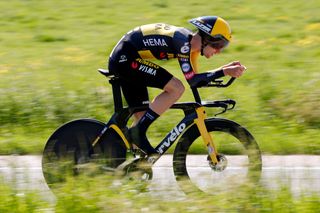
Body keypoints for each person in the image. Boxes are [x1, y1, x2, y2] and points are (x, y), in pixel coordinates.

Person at [108, 16, 246, 155]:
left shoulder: (191, 47)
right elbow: (192, 80)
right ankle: (137, 133)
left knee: (141, 115)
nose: (219, 51)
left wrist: (223, 70)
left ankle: (132, 165)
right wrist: (224, 71)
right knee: (176, 88)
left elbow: (197, 80)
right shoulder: (183, 43)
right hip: (125, 59)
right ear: (208, 39)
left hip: (127, 58)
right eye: (219, 45)